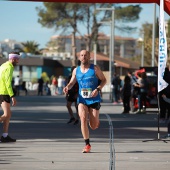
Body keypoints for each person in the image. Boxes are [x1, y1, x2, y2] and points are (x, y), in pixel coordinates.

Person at [63, 50, 106, 153]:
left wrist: (98, 89)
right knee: (82, 118)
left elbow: (104, 80)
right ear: (79, 58)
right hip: (82, 99)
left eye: (85, 55)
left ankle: (95, 121)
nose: (83, 57)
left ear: (89, 57)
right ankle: (87, 144)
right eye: (81, 55)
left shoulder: (95, 69)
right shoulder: (76, 70)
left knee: (94, 126)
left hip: (94, 98)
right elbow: (72, 82)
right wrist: (67, 87)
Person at [0, 52, 20, 142]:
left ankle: (5, 135)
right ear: (13, 59)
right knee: (7, 114)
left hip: (2, 91)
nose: (18, 61)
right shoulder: (9, 67)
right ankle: (4, 136)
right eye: (17, 59)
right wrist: (12, 96)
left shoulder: (3, 65)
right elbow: (8, 83)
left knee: (8, 115)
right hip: (4, 92)